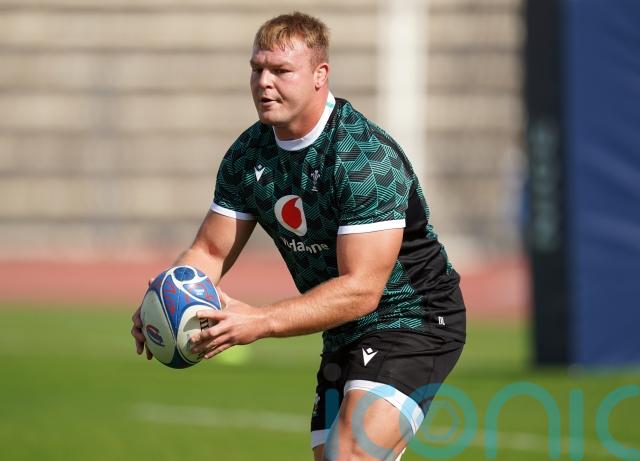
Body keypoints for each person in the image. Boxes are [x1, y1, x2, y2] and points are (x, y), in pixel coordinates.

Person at [131, 12, 466, 461]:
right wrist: (164, 296)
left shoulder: (361, 158)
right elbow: (210, 251)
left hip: (412, 318)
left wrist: (260, 321)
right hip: (342, 326)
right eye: (257, 69)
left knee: (349, 453)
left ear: (319, 75)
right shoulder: (248, 154)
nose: (264, 83)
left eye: (281, 70)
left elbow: (363, 289)